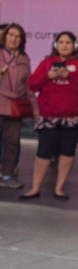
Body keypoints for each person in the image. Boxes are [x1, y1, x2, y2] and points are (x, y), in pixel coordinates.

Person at [21, 31, 78, 200]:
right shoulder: (47, 63)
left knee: (67, 152)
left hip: (73, 116)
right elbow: (32, 84)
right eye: (61, 42)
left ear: (74, 46)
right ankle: (35, 187)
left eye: (68, 42)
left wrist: (71, 75)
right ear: (56, 45)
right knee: (43, 152)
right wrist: (48, 76)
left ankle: (59, 188)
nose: (64, 45)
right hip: (49, 116)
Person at [0, 23, 31, 190]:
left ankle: (6, 175)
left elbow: (28, 85)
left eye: (18, 36)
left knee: (12, 142)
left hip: (15, 107)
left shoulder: (24, 58)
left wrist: (36, 109)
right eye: (11, 35)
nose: (14, 39)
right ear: (5, 37)